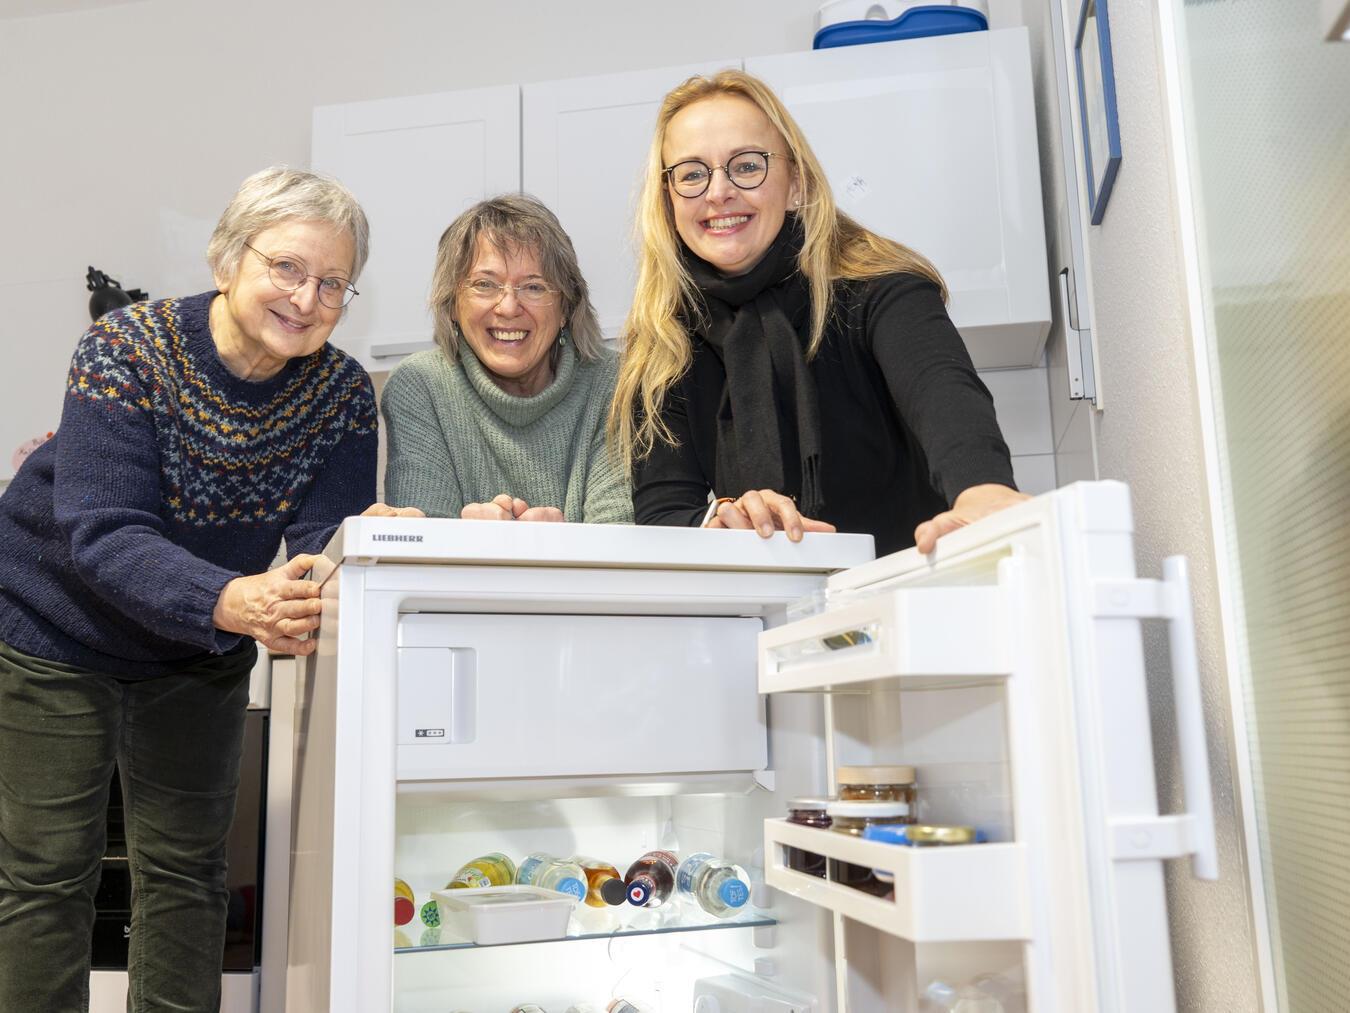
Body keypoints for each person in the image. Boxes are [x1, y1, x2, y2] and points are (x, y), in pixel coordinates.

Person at [0, 166, 419, 1011]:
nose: (308, 298)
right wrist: (231, 599)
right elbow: (103, 530)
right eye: (288, 268)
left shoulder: (339, 394)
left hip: (193, 648)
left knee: (190, 875)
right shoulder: (125, 349)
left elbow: (315, 544)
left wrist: (370, 553)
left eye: (333, 282)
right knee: (46, 873)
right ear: (228, 258)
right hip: (53, 629)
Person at [610, 70, 1027, 557]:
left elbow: (941, 390)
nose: (717, 192)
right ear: (668, 202)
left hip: (906, 591)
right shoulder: (663, 341)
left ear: (796, 185)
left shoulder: (881, 289)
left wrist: (982, 488)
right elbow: (662, 515)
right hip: (762, 612)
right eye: (692, 174)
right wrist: (723, 521)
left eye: (747, 166)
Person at [381, 194, 631, 524]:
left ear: (566, 307)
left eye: (534, 287)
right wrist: (469, 545)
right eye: (485, 285)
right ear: (453, 304)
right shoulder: (420, 385)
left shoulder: (615, 382)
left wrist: (558, 549)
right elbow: (419, 541)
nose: (509, 307)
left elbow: (617, 538)